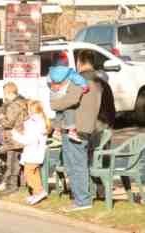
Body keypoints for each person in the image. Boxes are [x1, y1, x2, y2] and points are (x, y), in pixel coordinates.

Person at [50, 50, 102, 212]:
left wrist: (54, 104)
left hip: (74, 127)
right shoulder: (99, 81)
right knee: (79, 164)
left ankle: (82, 201)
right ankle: (82, 198)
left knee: (75, 165)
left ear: (79, 62)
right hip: (88, 126)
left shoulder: (79, 80)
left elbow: (70, 99)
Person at [11, 100, 51, 205]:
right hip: (37, 152)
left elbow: (29, 140)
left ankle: (39, 191)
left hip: (32, 153)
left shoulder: (33, 123)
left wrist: (15, 135)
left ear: (32, 110)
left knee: (28, 174)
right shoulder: (40, 121)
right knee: (35, 173)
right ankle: (36, 193)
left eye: (28, 109)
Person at [49, 52, 89, 142]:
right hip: (63, 94)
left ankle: (56, 130)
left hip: (55, 95)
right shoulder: (69, 71)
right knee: (69, 110)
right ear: (66, 62)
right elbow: (78, 79)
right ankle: (72, 131)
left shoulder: (51, 72)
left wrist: (54, 86)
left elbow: (48, 82)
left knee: (59, 112)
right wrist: (85, 86)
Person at [0, 82, 28, 197]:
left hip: (13, 138)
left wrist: (0, 119)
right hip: (20, 136)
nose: (4, 96)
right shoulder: (22, 102)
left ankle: (12, 187)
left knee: (12, 163)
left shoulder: (13, 105)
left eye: (5, 93)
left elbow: (9, 123)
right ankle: (20, 185)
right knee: (17, 163)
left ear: (9, 93)